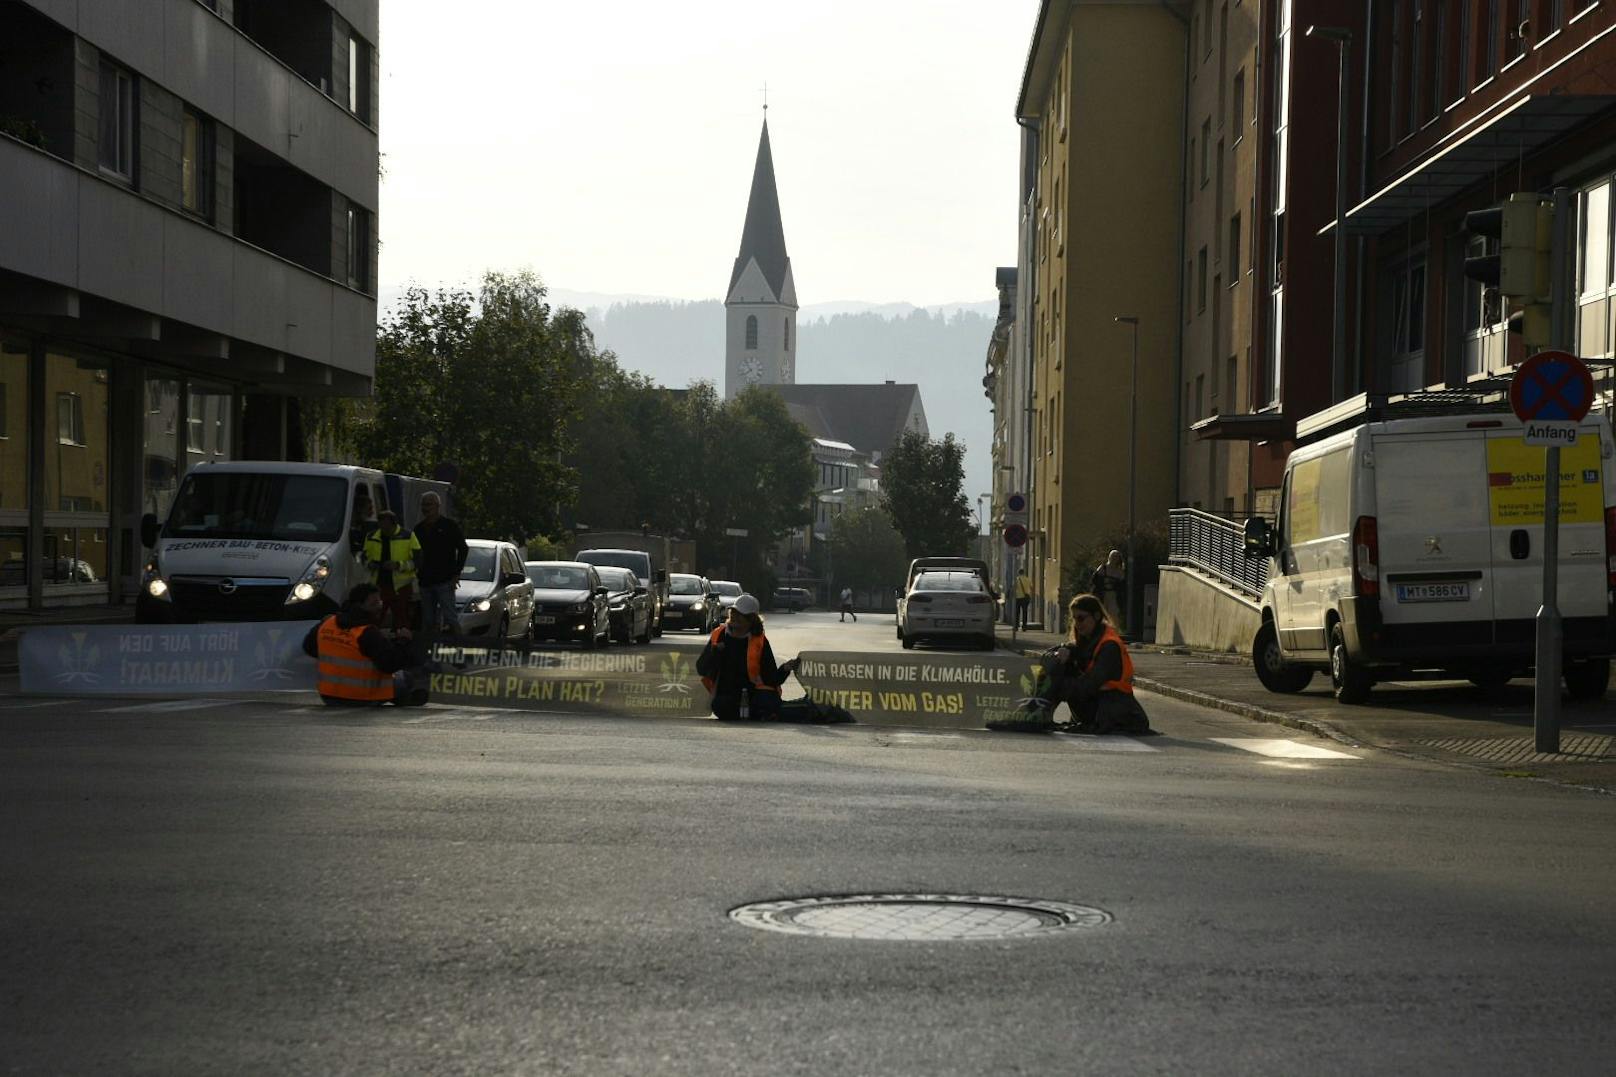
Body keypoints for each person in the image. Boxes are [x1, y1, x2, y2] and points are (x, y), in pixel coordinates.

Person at [989, 593, 1150, 734]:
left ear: (1096, 616)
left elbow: (1089, 686)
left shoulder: (1109, 646)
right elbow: (1066, 654)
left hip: (1112, 709)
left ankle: (1033, 715)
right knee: (1056, 662)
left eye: (1081, 618)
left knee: (1058, 672)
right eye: (1074, 618)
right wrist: (1064, 651)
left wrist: (1057, 685)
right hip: (1098, 705)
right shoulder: (1089, 640)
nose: (1077, 624)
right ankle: (1032, 714)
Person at [301, 584, 428, 706]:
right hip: (360, 697)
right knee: (405, 678)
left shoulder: (327, 623)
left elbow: (308, 647)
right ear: (360, 605)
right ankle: (402, 698)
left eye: (380, 602)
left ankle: (402, 698)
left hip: (329, 696)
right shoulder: (366, 632)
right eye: (374, 603)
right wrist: (403, 642)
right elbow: (390, 665)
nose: (379, 607)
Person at [696, 593, 800, 720]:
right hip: (727, 695)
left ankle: (762, 712)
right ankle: (757, 714)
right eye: (733, 612)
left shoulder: (759, 641)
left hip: (753, 695)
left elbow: (771, 678)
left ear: (751, 619)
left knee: (767, 702)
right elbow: (701, 668)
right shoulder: (719, 635)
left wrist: (785, 669)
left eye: (739, 614)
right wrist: (714, 652)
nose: (734, 616)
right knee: (720, 706)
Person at [413, 492, 467, 647]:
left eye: (429, 504)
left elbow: (463, 549)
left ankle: (460, 652)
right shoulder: (419, 529)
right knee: (428, 620)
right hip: (425, 581)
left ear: (437, 506)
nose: (426, 508)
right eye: (423, 504)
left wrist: (457, 573)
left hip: (445, 581)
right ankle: (428, 654)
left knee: (451, 619)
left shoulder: (449, 526)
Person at [364, 510, 421, 630]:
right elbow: (363, 556)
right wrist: (369, 564)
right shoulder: (371, 537)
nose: (384, 530)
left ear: (394, 525)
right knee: (375, 619)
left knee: (402, 620)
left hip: (401, 586)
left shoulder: (408, 536)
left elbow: (418, 561)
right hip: (378, 586)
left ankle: (402, 641)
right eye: (381, 527)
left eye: (387, 527)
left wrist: (398, 565)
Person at [1090, 549, 1127, 633]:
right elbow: (1095, 580)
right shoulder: (1103, 568)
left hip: (1113, 595)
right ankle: (1098, 630)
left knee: (1113, 613)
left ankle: (1114, 631)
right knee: (1101, 613)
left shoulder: (1119, 571)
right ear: (1109, 557)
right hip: (1102, 594)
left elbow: (1122, 585)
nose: (1114, 559)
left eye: (1116, 557)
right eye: (1113, 557)